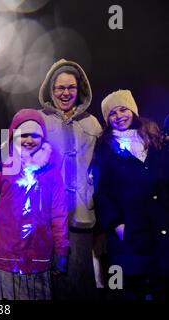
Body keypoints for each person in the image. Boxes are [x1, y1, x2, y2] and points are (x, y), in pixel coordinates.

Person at [0, 109, 69, 300]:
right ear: (14, 136)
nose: (29, 140)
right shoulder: (2, 166)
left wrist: (61, 250)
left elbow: (59, 213)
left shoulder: (51, 170)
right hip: (5, 256)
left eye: (35, 135)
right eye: (24, 135)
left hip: (39, 256)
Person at [92, 89, 169, 300]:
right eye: (112, 114)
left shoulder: (154, 140)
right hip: (129, 236)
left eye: (123, 109)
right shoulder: (104, 148)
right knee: (127, 291)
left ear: (133, 110)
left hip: (159, 231)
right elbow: (102, 193)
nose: (119, 117)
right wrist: (117, 225)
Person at [36, 59, 103, 299]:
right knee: (54, 277)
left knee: (81, 276)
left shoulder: (92, 123)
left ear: (80, 89)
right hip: (48, 213)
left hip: (83, 212)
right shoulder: (39, 121)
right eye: (60, 88)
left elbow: (102, 165)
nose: (65, 93)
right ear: (50, 90)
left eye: (71, 87)